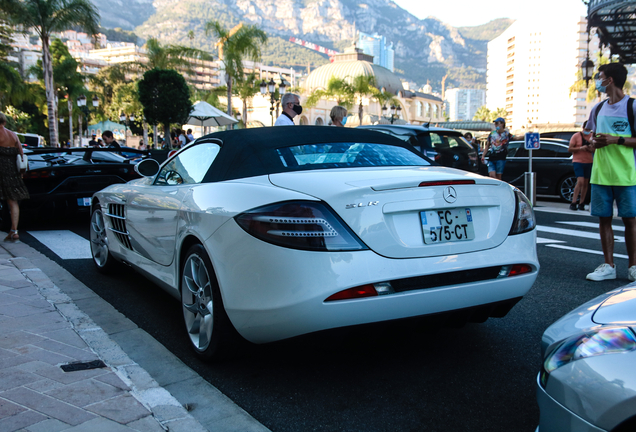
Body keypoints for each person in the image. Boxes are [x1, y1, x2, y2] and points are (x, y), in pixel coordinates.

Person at [584, 62, 636, 282]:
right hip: (601, 174)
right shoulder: (597, 108)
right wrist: (595, 143)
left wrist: (617, 139)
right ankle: (609, 265)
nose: (598, 80)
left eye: (600, 76)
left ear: (610, 80)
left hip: (627, 174)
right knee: (604, 220)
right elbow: (590, 139)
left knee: (631, 221)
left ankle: (633, 266)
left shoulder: (632, 107)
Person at [0, 112, 29, 242]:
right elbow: (21, 154)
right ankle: (14, 230)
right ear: (4, 122)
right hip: (12, 172)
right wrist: (21, 173)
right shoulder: (13, 135)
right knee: (13, 201)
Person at [568, 121, 594, 211]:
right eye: (586, 129)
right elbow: (570, 148)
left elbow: (596, 149)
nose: (587, 131)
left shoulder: (592, 136)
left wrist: (590, 148)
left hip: (589, 161)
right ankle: (574, 202)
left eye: (589, 129)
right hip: (578, 161)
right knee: (580, 181)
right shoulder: (576, 136)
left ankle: (581, 203)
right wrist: (580, 148)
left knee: (586, 183)